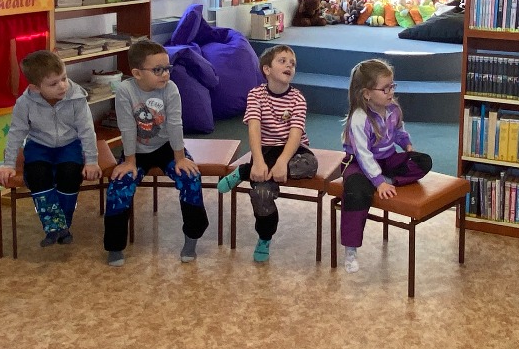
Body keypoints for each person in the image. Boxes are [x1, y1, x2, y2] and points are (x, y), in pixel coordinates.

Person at [103, 40, 207, 266]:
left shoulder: (171, 89)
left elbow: (175, 124)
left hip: (167, 148)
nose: (165, 74)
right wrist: (129, 161)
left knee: (190, 179)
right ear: (137, 73)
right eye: (158, 70)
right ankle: (114, 246)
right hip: (136, 151)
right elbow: (127, 128)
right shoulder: (125, 91)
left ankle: (191, 239)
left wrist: (180, 158)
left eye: (167, 68)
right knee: (119, 186)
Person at [216, 45, 318, 262]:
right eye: (282, 61)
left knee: (310, 165)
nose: (289, 65)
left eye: (292, 63)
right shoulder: (256, 95)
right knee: (261, 194)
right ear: (267, 69)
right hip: (264, 151)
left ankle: (243, 172)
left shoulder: (298, 98)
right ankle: (264, 237)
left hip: (292, 151)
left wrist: (282, 162)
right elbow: (254, 129)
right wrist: (258, 162)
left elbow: (296, 134)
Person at [0, 50, 101, 247]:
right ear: (35, 88)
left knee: (70, 175)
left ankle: (63, 226)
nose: (62, 86)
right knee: (37, 176)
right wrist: (9, 164)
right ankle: (53, 227)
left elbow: (87, 130)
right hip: (39, 146)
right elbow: (16, 133)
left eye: (64, 78)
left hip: (70, 145)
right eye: (53, 84)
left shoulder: (77, 98)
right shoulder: (24, 103)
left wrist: (92, 161)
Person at [337, 59, 432, 274]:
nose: (391, 92)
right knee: (355, 192)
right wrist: (378, 181)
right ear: (367, 93)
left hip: (387, 159)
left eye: (392, 86)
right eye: (385, 88)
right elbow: (363, 154)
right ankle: (351, 249)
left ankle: (387, 181)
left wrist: (407, 145)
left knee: (423, 161)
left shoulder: (393, 109)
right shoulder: (359, 118)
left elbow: (399, 131)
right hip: (359, 164)